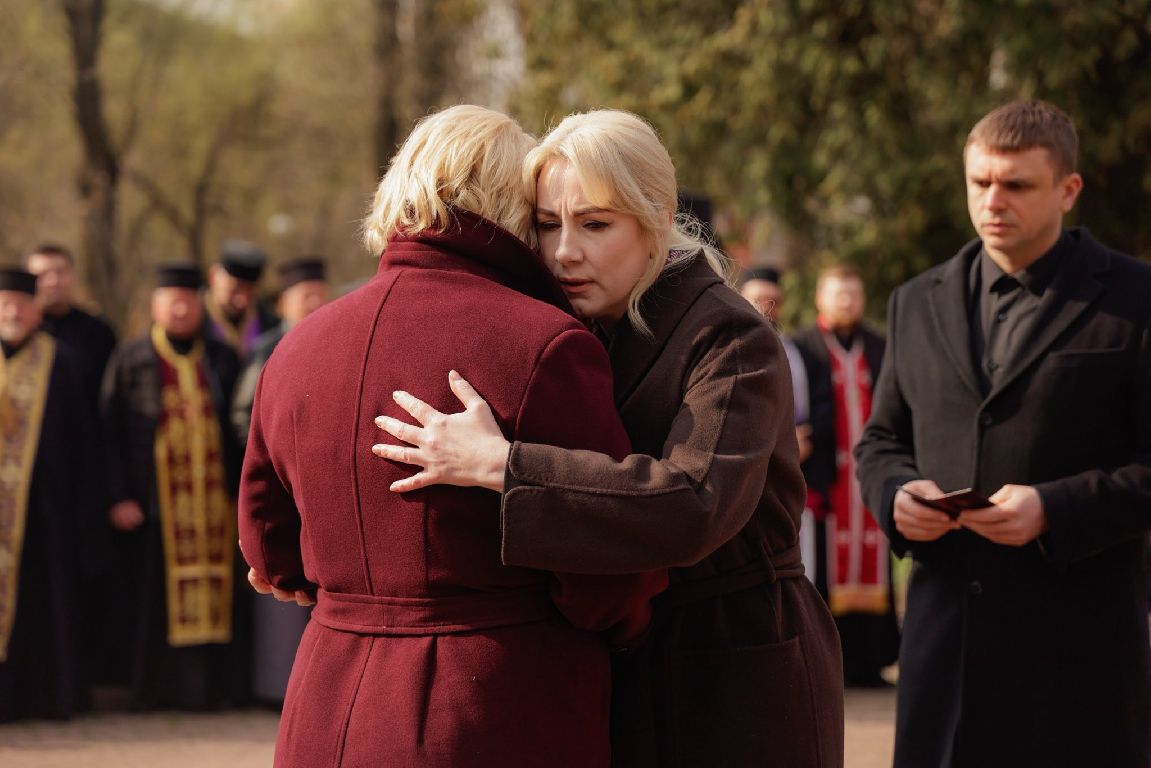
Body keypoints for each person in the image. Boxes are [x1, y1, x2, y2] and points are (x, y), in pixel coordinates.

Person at [371, 109, 844, 767]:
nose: (565, 250)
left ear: (656, 220)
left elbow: (694, 503)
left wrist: (503, 466)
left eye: (595, 224)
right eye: (547, 224)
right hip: (623, 664)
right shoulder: (573, 324)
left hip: (737, 668)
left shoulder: (732, 336)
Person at [238, 105, 665, 767]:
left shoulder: (295, 349)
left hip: (328, 700)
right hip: (494, 703)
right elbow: (608, 572)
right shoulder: (545, 344)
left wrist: (340, 589)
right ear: (514, 205)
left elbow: (267, 548)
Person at [854, 99, 1151, 766]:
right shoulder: (914, 301)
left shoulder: (1137, 299)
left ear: (1067, 190)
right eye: (979, 182)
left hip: (1080, 664)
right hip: (942, 663)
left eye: (1015, 185)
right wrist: (896, 494)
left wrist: (1054, 508)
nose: (992, 201)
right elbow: (880, 440)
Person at [100, 264, 247, 710]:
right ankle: (155, 693)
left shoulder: (221, 358)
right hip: (152, 505)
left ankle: (211, 693)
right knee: (154, 600)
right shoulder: (131, 358)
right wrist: (119, 495)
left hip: (214, 507)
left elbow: (240, 429)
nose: (181, 310)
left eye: (188, 301)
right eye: (172, 302)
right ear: (155, 306)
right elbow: (108, 432)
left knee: (220, 595)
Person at [791, 265, 899, 687]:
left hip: (869, 479)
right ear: (820, 298)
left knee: (875, 559)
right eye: (838, 294)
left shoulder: (881, 346)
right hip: (825, 479)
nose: (847, 302)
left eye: (853, 294)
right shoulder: (802, 348)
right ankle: (827, 664)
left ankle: (870, 664)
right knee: (822, 569)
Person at [231, 256, 329, 706]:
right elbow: (244, 417)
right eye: (305, 296)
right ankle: (277, 687)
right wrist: (278, 456)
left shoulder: (334, 335)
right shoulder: (268, 348)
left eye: (319, 294)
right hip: (281, 476)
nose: (315, 303)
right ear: (284, 302)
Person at [0, 268, 91, 721]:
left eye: (21, 304)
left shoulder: (61, 360)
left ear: (37, 310)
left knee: (42, 606)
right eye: (4, 303)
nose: (12, 312)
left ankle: (40, 699)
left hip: (43, 512)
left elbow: (82, 440)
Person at [739, 267, 817, 580]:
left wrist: (806, 437)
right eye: (758, 299)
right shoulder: (730, 344)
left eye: (774, 301)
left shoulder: (797, 349)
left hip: (795, 467)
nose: (766, 308)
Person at [25, 243, 117, 408]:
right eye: (42, 275)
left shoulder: (98, 332)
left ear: (73, 276)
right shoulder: (15, 333)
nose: (53, 282)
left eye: (60, 272)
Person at [203, 240, 278, 361]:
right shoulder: (193, 321)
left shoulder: (270, 324)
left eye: (250, 291)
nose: (242, 301)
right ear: (213, 277)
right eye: (234, 289)